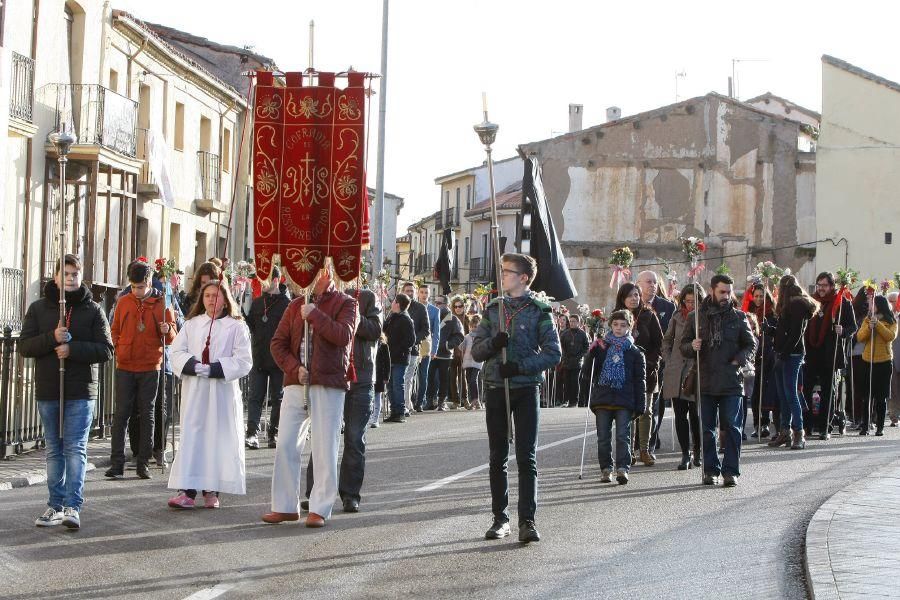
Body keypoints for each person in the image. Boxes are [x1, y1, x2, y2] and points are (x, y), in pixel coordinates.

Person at [471, 253, 561, 543]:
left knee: (526, 457)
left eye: (507, 271)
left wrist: (521, 366)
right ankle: (500, 518)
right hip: (496, 387)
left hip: (525, 388)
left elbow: (553, 353)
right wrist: (492, 344)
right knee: (497, 457)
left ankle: (528, 521)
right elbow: (476, 351)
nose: (502, 275)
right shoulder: (493, 309)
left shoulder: (539, 311)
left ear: (523, 278)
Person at [20, 254, 114, 529]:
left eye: (76, 274)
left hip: (81, 391)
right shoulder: (39, 308)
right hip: (49, 390)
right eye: (67, 273)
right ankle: (55, 505)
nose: (72, 279)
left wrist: (73, 349)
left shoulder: (93, 309)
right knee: (54, 450)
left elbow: (106, 350)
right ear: (57, 276)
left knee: (75, 448)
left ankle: (73, 505)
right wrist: (52, 338)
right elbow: (25, 346)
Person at [264, 265, 358, 527]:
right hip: (297, 382)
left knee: (324, 447)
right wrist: (295, 368)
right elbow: (277, 344)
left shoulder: (346, 303)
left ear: (329, 272)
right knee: (285, 444)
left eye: (320, 269)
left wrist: (316, 315)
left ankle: (320, 507)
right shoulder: (294, 305)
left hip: (328, 383)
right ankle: (284, 506)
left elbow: (344, 336)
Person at [167, 280, 252, 509]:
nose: (212, 300)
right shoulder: (192, 324)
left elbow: (244, 361)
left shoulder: (236, 326)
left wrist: (215, 369)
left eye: (216, 295)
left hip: (221, 392)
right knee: (193, 437)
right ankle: (187, 490)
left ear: (225, 299)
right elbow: (175, 351)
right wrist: (193, 366)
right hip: (196, 391)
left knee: (216, 437)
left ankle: (212, 489)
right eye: (207, 296)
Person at [304, 286, 382, 513]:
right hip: (334, 376)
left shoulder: (366, 296)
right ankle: (315, 492)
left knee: (354, 438)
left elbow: (375, 330)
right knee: (323, 436)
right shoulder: (328, 297)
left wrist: (353, 318)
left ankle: (350, 495)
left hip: (361, 377)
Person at [680, 274, 756, 487]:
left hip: (732, 381)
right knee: (707, 429)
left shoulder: (739, 317)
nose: (726, 296)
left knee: (732, 427)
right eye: (722, 291)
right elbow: (683, 346)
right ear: (712, 290)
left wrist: (738, 360)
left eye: (729, 292)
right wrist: (691, 346)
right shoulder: (696, 317)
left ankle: (731, 471)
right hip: (705, 380)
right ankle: (710, 470)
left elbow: (751, 345)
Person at [106, 260, 177, 480]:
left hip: (150, 365)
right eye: (134, 287)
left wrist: (167, 330)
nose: (137, 291)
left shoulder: (162, 303)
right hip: (125, 365)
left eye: (141, 287)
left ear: (148, 282)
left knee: (148, 414)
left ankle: (143, 462)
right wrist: (119, 347)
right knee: (122, 414)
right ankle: (117, 462)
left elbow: (173, 337)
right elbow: (114, 329)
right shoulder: (124, 302)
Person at [589, 310, 647, 485]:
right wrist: (591, 352)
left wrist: (640, 406)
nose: (619, 328)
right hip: (603, 398)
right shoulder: (601, 348)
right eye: (615, 325)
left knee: (623, 436)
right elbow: (588, 374)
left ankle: (622, 468)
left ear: (629, 327)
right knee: (603, 437)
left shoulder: (636, 353)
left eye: (623, 325)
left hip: (625, 400)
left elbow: (640, 381)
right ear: (610, 325)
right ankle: (606, 468)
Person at [803, 272, 858, 440]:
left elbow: (853, 326)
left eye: (824, 285)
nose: (821, 288)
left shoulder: (842, 302)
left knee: (829, 391)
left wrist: (843, 331)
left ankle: (825, 426)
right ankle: (806, 425)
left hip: (830, 352)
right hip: (811, 352)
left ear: (832, 286)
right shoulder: (810, 301)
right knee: (806, 389)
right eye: (819, 285)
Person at [614, 282, 663, 466]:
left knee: (646, 411)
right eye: (630, 295)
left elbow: (659, 343)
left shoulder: (649, 316)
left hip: (647, 371)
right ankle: (629, 451)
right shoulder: (617, 317)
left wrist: (650, 361)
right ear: (622, 298)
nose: (634, 299)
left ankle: (644, 450)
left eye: (636, 295)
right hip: (623, 372)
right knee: (627, 411)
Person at [769, 275, 819, 450]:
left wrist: (785, 352)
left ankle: (798, 432)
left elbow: (796, 333)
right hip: (784, 352)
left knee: (791, 394)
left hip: (792, 354)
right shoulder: (791, 303)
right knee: (783, 394)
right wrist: (773, 331)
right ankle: (785, 430)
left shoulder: (797, 304)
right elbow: (787, 329)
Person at [245, 266, 291, 449]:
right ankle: (252, 434)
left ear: (275, 280)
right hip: (259, 357)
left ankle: (274, 433)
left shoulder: (287, 304)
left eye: (264, 280)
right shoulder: (257, 303)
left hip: (279, 359)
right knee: (255, 396)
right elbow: (251, 326)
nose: (260, 283)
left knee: (278, 397)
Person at [661, 284, 704, 470]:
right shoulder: (676, 317)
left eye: (693, 301)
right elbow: (667, 340)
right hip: (677, 369)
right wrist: (669, 359)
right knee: (680, 414)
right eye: (686, 301)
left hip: (696, 369)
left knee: (696, 414)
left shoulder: (705, 318)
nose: (690, 305)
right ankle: (685, 453)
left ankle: (698, 451)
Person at [636, 270, 677, 452]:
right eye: (648, 282)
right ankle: (638, 438)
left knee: (654, 403)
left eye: (654, 281)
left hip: (658, 362)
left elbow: (672, 333)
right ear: (638, 284)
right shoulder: (631, 304)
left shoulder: (667, 307)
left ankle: (650, 439)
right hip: (635, 362)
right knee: (637, 402)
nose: (652, 285)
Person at [857, 294, 898, 436]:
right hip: (868, 361)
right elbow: (860, 337)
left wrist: (878, 325)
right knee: (867, 395)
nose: (870, 306)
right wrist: (870, 326)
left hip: (884, 362)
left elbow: (890, 336)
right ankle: (865, 425)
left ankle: (880, 426)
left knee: (881, 396)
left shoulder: (891, 321)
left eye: (872, 304)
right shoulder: (867, 320)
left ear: (879, 305)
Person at [747, 283, 778, 438]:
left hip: (769, 356)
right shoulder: (750, 312)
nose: (759, 299)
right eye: (756, 296)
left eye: (762, 296)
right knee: (754, 393)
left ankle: (766, 422)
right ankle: (757, 423)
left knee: (766, 391)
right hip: (754, 356)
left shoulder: (773, 313)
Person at [426, 297, 465, 411]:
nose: (436, 305)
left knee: (444, 379)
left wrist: (448, 345)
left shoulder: (452, 319)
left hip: (445, 354)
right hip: (432, 353)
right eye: (435, 302)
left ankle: (441, 401)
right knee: (430, 378)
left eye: (439, 303)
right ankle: (429, 401)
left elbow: (459, 335)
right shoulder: (432, 315)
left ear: (446, 304)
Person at [383, 293, 416, 423]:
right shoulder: (392, 317)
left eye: (393, 301)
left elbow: (410, 340)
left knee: (398, 384)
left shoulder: (405, 319)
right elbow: (384, 330)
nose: (392, 303)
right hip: (390, 357)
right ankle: (394, 411)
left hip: (400, 358)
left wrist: (397, 349)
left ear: (397, 304)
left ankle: (400, 411)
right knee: (390, 385)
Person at [401, 282, 430, 413]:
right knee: (398, 377)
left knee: (408, 377)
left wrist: (414, 340)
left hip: (413, 350)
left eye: (412, 291)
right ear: (402, 291)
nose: (410, 293)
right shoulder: (397, 306)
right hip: (398, 350)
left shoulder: (420, 308)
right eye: (407, 291)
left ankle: (407, 404)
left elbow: (426, 330)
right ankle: (399, 403)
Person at [559, 314, 590, 407]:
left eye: (574, 321)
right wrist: (564, 357)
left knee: (575, 381)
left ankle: (574, 401)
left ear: (579, 322)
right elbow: (561, 346)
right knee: (566, 381)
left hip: (577, 361)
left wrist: (580, 357)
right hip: (567, 361)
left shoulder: (583, 334)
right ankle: (566, 400)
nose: (572, 323)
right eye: (571, 321)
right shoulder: (565, 333)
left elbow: (586, 347)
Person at [449, 296, 470, 408]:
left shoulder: (466, 319)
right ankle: (456, 401)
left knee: (463, 376)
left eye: (460, 306)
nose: (458, 308)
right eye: (455, 306)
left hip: (464, 351)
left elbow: (470, 335)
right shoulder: (450, 319)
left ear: (464, 307)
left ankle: (465, 400)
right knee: (453, 377)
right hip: (453, 351)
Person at [461, 314, 484, 410]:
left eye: (476, 327)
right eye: (472, 327)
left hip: (476, 361)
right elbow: (462, 347)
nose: (473, 329)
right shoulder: (467, 337)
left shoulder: (481, 337)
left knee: (473, 380)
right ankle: (473, 400)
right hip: (467, 362)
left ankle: (476, 400)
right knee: (469, 380)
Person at [370, 334, 391, 427]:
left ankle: (375, 419)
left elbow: (387, 362)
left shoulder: (384, 346)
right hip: (370, 375)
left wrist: (386, 377)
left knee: (377, 397)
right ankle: (370, 417)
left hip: (379, 375)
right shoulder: (369, 343)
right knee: (370, 398)